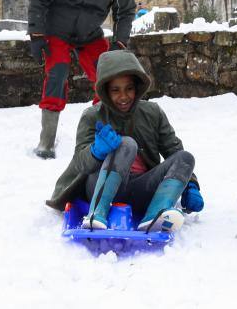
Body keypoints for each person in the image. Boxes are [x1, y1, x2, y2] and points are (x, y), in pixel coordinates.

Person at [45, 50, 204, 231]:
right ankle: (97, 214)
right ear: (105, 91)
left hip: (141, 188)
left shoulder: (153, 113)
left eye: (129, 88)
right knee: (127, 144)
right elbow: (80, 165)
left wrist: (190, 184)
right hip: (100, 187)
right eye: (115, 90)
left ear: (137, 88)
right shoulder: (92, 116)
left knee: (186, 158)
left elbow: (173, 150)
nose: (123, 96)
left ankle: (155, 214)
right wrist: (96, 151)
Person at [28, 0, 136, 159]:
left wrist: (119, 41)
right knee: (56, 74)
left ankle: (101, 133)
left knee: (108, 77)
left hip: (89, 34)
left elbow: (125, 10)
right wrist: (36, 33)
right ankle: (47, 140)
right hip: (58, 31)